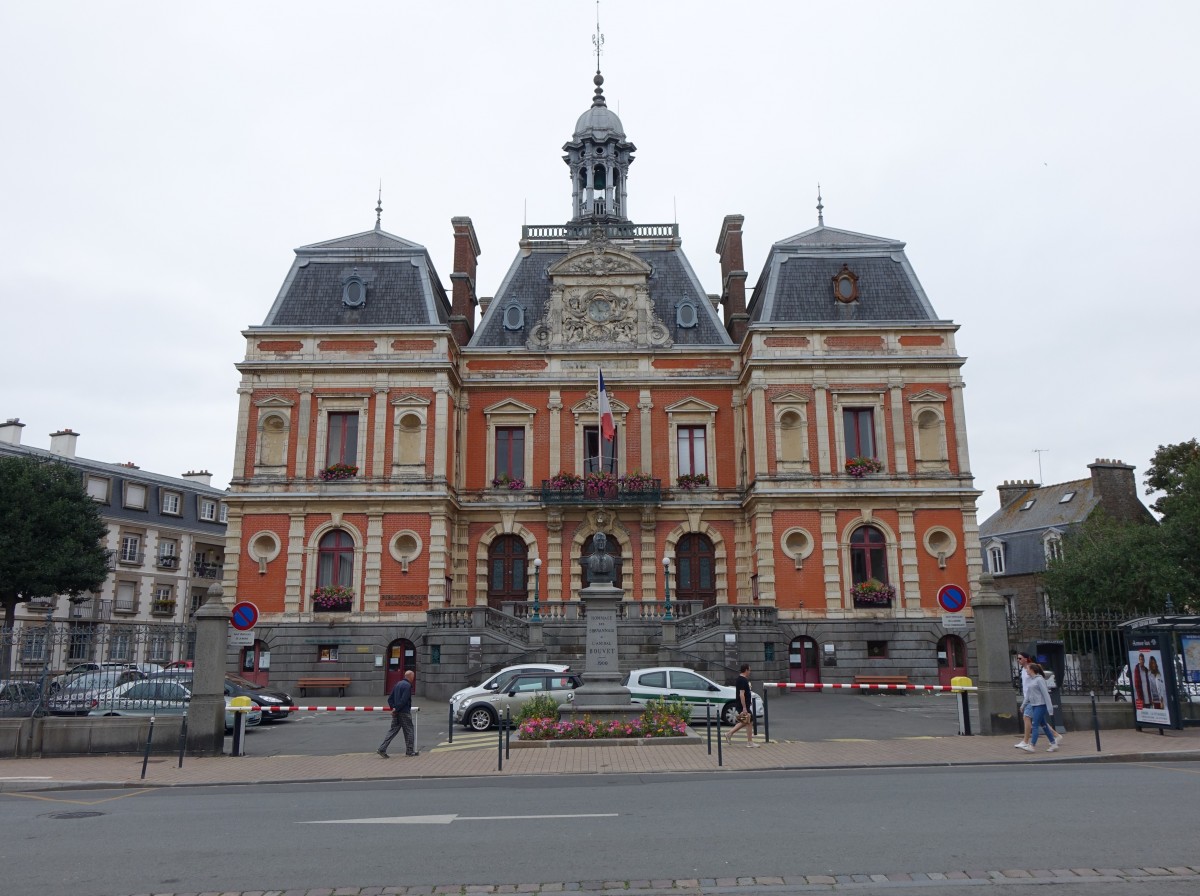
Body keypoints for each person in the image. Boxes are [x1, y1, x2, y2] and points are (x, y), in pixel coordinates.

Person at [1018, 662, 1058, 753]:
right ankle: (1053, 743)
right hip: (1034, 705)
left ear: (1032, 670)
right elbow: (1028, 695)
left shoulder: (1039, 680)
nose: (1026, 670)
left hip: (1041, 705)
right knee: (1044, 725)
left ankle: (1032, 746)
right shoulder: (1031, 680)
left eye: (1027, 669)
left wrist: (1050, 708)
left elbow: (1045, 694)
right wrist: (1023, 705)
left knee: (1035, 724)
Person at [378, 670, 418, 758]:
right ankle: (409, 751)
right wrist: (396, 709)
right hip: (404, 712)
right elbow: (404, 700)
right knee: (409, 731)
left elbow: (390, 699)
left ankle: (382, 748)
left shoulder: (397, 684)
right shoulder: (407, 686)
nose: (413, 679)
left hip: (396, 713)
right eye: (413, 677)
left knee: (392, 731)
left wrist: (393, 708)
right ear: (410, 676)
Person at [725, 663, 759, 748]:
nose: (750, 672)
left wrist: (748, 701)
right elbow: (741, 694)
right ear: (746, 670)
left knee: (747, 721)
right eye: (749, 670)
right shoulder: (742, 680)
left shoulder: (741, 679)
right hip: (742, 706)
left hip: (744, 704)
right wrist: (744, 707)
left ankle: (729, 734)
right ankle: (749, 742)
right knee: (748, 721)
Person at [1014, 652, 1035, 750]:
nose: (1018, 660)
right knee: (1041, 721)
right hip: (1027, 697)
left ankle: (1025, 741)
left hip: (1032, 698)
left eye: (1020, 658)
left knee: (1026, 718)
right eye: (1017, 659)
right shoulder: (1023, 669)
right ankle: (1056, 736)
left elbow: (1035, 681)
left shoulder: (1030, 668)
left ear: (1026, 659)